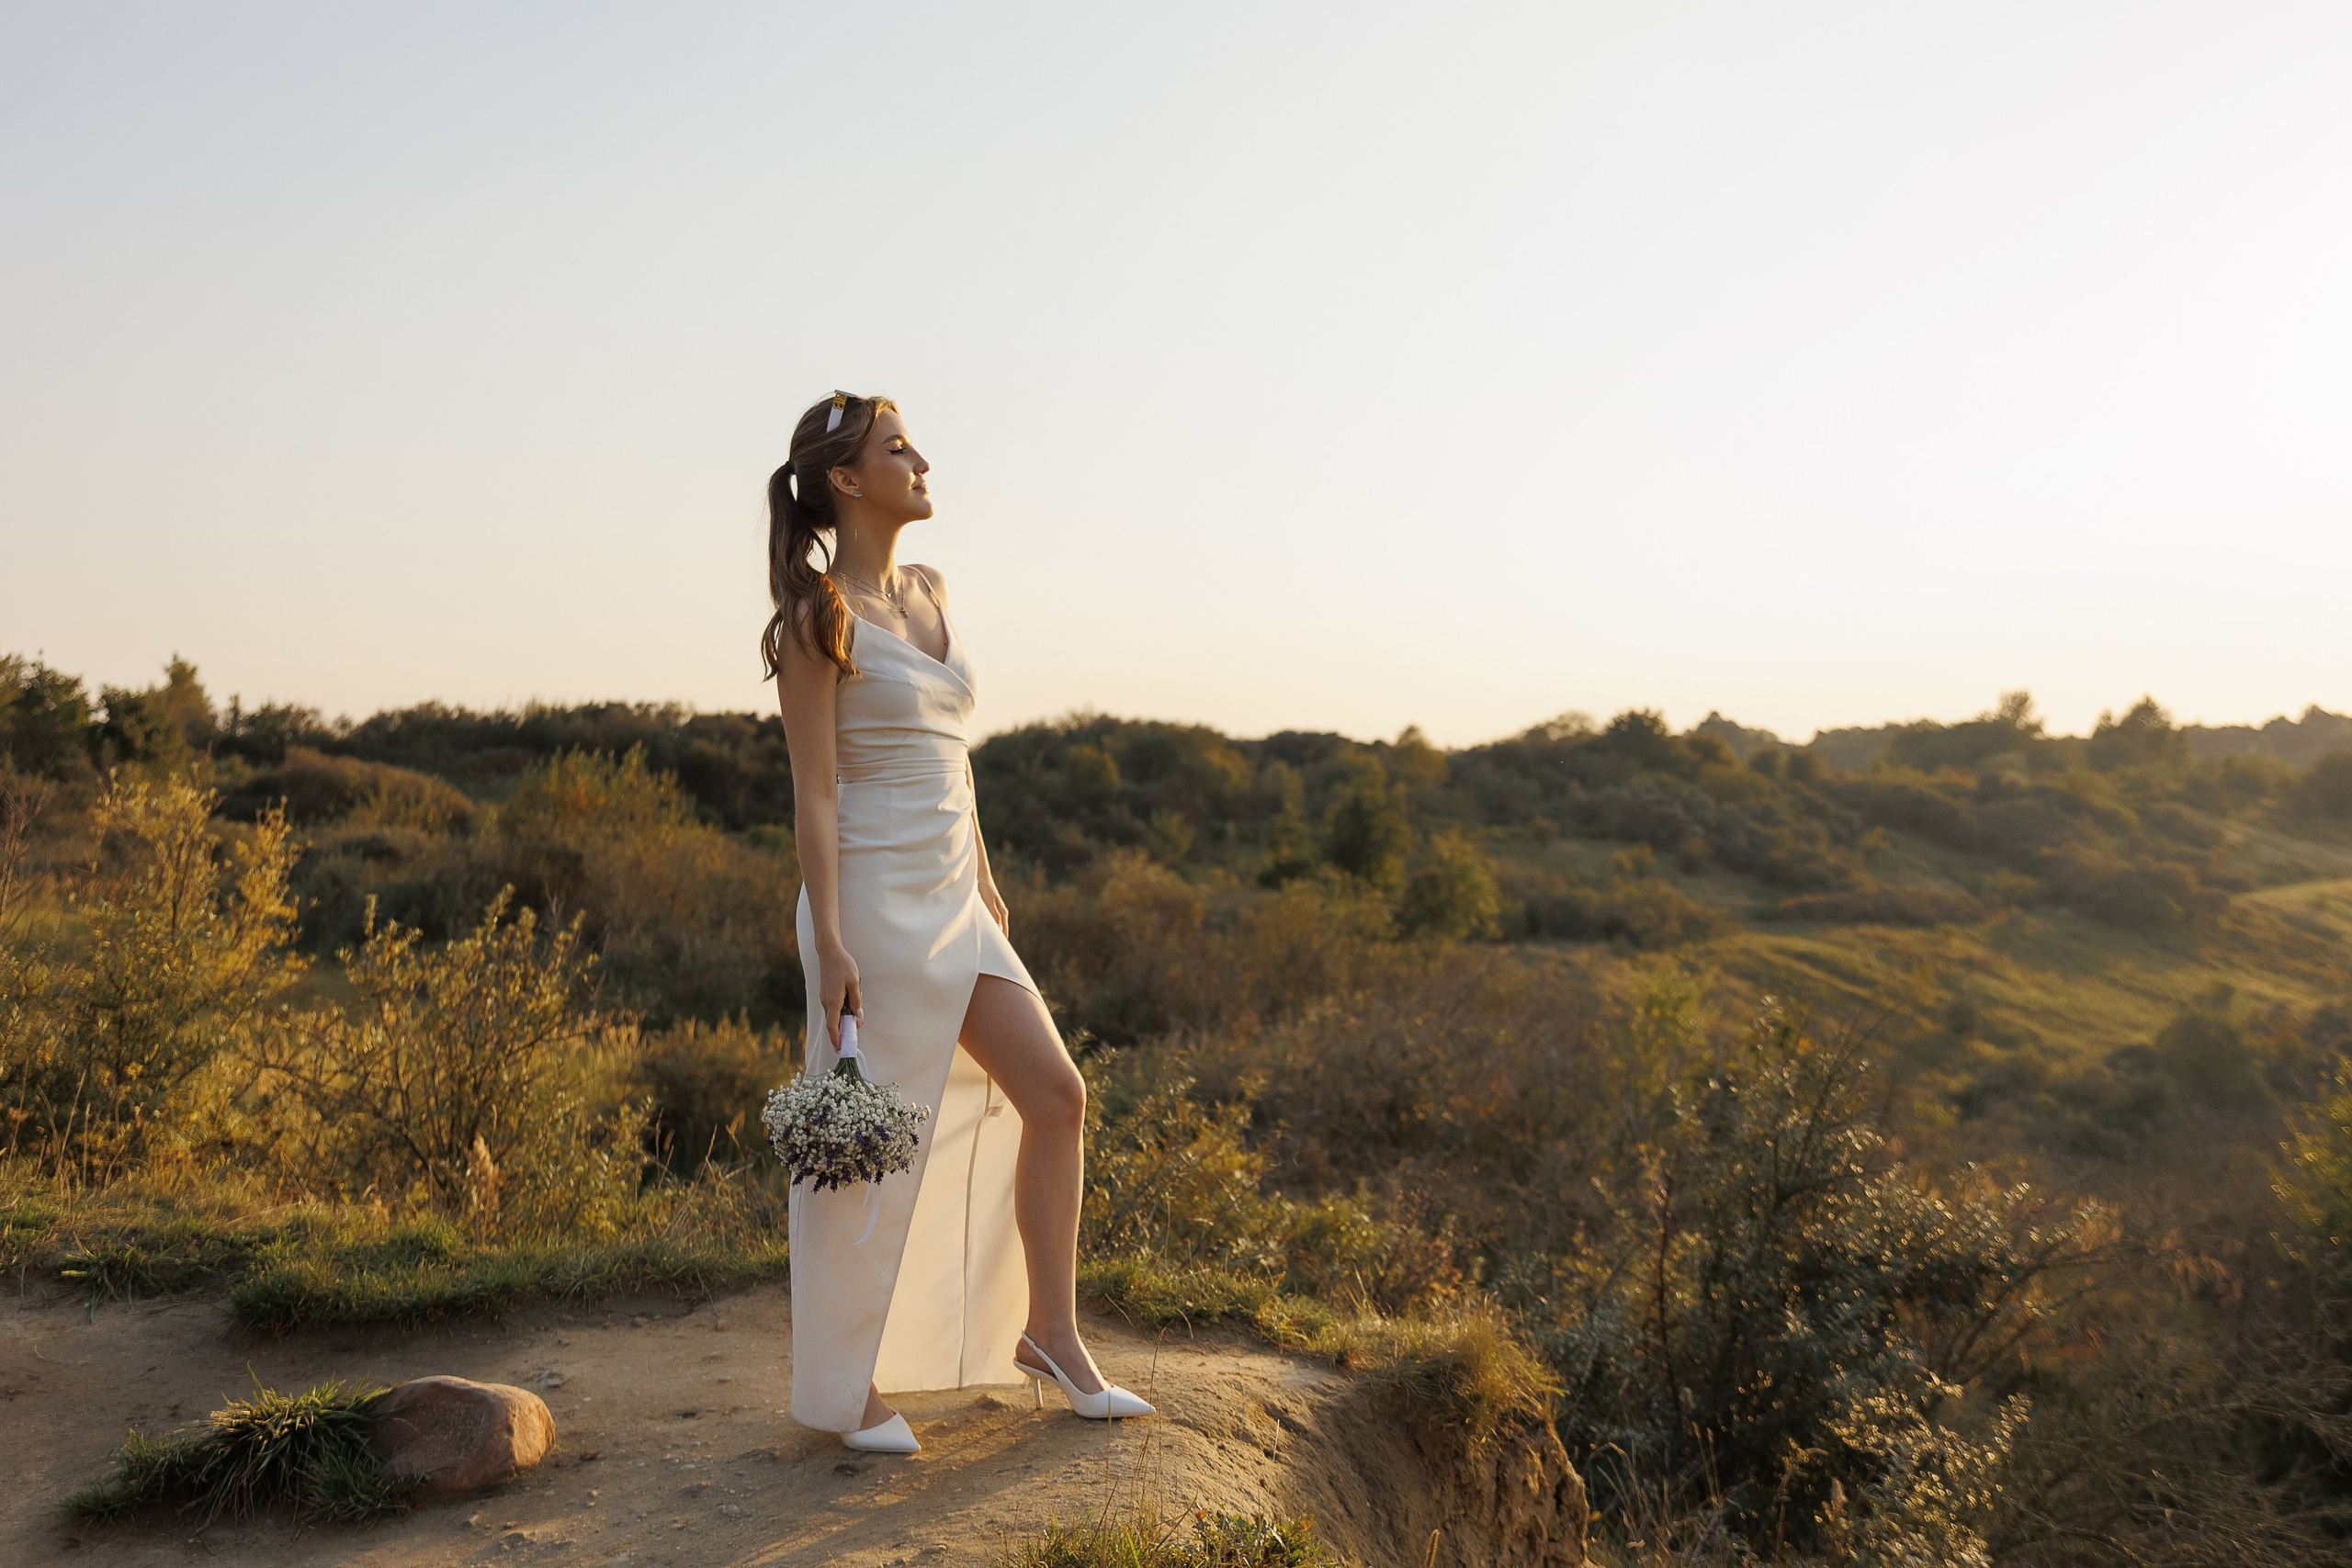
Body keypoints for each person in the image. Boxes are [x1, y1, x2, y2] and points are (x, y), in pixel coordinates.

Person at [763, 391, 1154, 1454]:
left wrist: (984, 876)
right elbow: (815, 795)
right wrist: (830, 941)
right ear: (848, 480)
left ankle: (1051, 1336)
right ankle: (847, 1388)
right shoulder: (814, 619)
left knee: (1057, 1095)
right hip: (871, 908)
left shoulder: (932, 590)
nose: (921, 460)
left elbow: (954, 753)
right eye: (898, 448)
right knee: (865, 1148)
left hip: (956, 897)